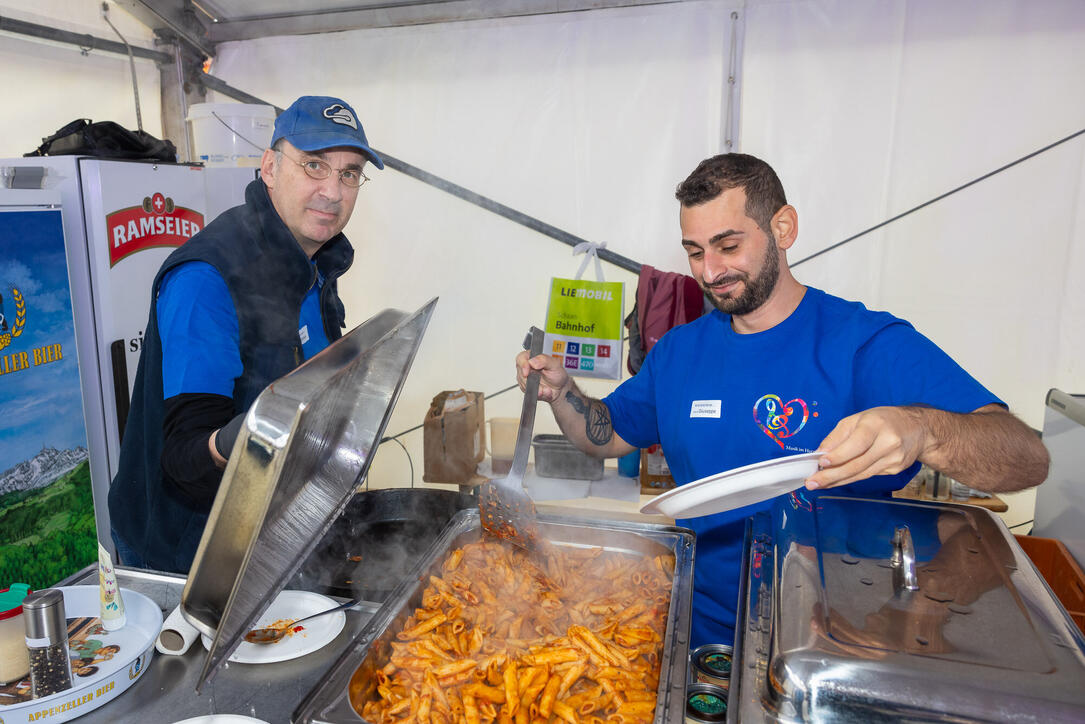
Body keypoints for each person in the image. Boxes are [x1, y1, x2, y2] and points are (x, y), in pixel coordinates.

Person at [515, 153, 1049, 647]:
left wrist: (924, 429)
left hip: (841, 631)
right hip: (704, 634)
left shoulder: (862, 343)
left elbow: (1026, 457)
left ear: (783, 228)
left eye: (728, 246)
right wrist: (563, 394)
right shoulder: (681, 351)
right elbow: (604, 434)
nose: (709, 272)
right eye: (695, 252)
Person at [107, 95, 383, 573]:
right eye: (314, 166)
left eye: (350, 173)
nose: (333, 191)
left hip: (273, 531)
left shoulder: (316, 260)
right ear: (270, 167)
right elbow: (187, 458)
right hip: (188, 553)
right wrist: (256, 431)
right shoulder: (208, 278)